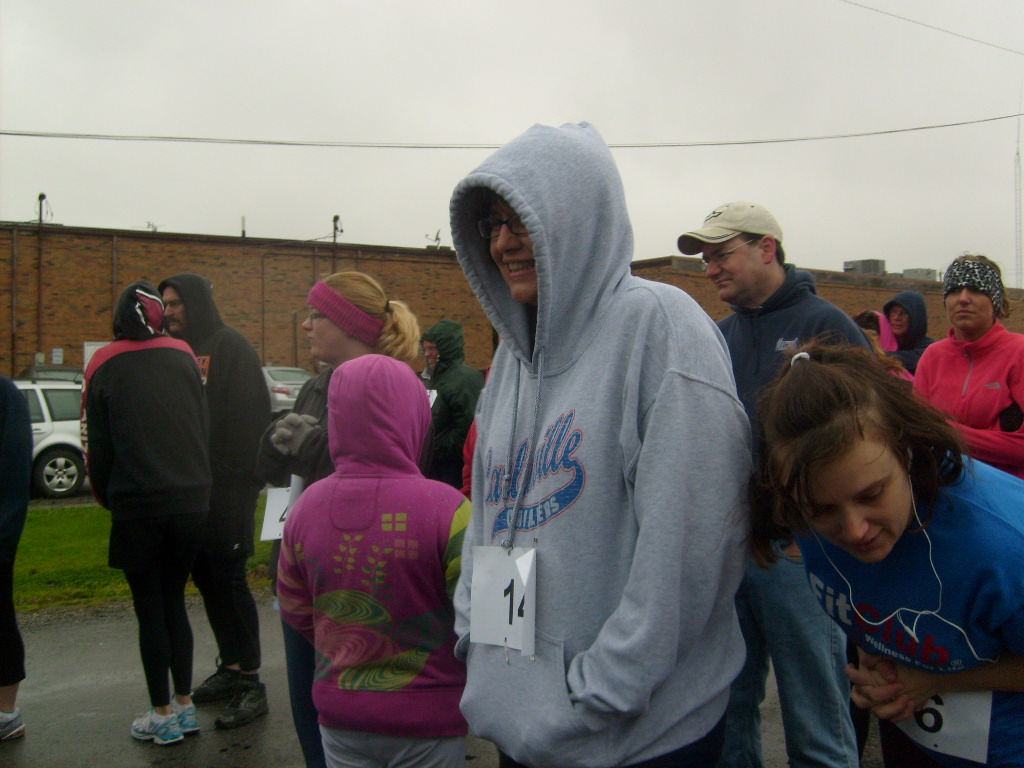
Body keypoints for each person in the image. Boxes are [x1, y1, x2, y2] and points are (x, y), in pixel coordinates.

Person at [449, 122, 750, 768]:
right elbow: (491, 521)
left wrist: (594, 695)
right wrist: (481, 647)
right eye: (492, 226)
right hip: (524, 725)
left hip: (640, 739)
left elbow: (687, 551)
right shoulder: (511, 360)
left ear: (574, 219)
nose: (503, 243)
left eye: (520, 221)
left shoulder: (662, 330)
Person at [751, 341, 1024, 768]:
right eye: (822, 510)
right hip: (913, 741)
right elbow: (876, 614)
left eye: (872, 494)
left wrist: (931, 681)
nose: (855, 530)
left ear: (907, 453)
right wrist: (879, 674)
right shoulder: (805, 520)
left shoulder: (1004, 545)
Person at [677, 201, 863, 768]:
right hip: (730, 553)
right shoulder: (716, 336)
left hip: (800, 557)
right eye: (705, 258)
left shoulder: (828, 327)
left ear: (767, 249)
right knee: (728, 710)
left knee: (817, 717)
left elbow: (867, 440)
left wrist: (817, 532)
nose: (710, 268)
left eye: (721, 254)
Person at [255, 271, 421, 768]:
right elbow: (275, 474)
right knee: (308, 702)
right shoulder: (315, 387)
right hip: (304, 567)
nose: (306, 325)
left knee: (356, 713)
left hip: (363, 574)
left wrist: (310, 450)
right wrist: (271, 446)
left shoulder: (395, 387)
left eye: (316, 315)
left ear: (349, 323)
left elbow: (390, 476)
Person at [278, 354, 470, 768]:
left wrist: (343, 643)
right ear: (416, 417)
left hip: (341, 714)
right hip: (431, 717)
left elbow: (295, 608)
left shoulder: (305, 508)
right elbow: (474, 614)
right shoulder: (449, 508)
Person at [83, 281, 211, 745]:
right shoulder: (183, 355)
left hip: (138, 503)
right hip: (192, 498)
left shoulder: (103, 363)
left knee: (150, 609)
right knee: (175, 601)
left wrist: (107, 497)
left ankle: (160, 715)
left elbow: (97, 447)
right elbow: (201, 425)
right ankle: (185, 704)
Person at [158, 272, 271, 729]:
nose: (168, 312)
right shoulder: (175, 351)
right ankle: (230, 669)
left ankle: (251, 682)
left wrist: (231, 479)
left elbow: (250, 421)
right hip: (189, 493)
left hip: (227, 490)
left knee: (229, 579)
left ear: (197, 304)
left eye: (176, 304)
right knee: (206, 579)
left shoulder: (231, 348)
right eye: (164, 304)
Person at [914, 254, 1024, 481]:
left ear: (995, 301)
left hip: (1008, 497)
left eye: (976, 289)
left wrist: (946, 433)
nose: (963, 298)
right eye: (954, 290)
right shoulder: (933, 357)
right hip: (945, 492)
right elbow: (916, 432)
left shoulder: (1018, 353)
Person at [0, 375, 32, 743]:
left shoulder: (7, 397)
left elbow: (14, 474)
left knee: (0, 620)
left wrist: (5, 537)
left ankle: (6, 712)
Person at [420, 319, 484, 488]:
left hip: (455, 469)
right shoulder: (435, 378)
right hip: (436, 466)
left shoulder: (464, 379)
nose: (427, 354)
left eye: (432, 348)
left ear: (445, 348)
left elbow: (467, 429)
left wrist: (434, 447)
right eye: (425, 349)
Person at [853, 310, 913, 381]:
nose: (867, 342)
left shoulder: (896, 374)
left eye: (872, 336)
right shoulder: (846, 369)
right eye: (861, 336)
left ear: (885, 336)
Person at [883, 291, 934, 375]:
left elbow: (916, 359)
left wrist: (878, 356)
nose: (896, 318)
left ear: (916, 318)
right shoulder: (882, 343)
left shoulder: (929, 348)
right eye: (893, 312)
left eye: (903, 313)